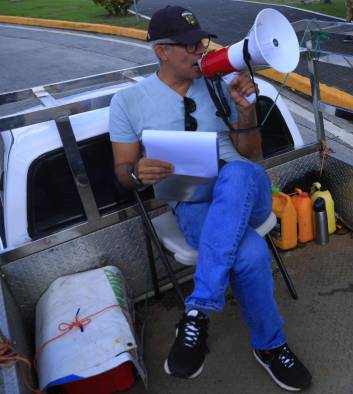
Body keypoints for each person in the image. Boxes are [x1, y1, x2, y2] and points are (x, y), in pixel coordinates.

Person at [108, 6, 312, 391]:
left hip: (247, 190)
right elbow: (123, 171)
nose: (199, 50)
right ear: (162, 51)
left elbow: (251, 155)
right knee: (249, 254)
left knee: (235, 172)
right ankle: (271, 346)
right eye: (188, 45)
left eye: (200, 41)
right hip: (190, 201)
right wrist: (138, 172)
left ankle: (198, 309)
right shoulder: (128, 102)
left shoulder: (220, 83)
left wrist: (244, 111)